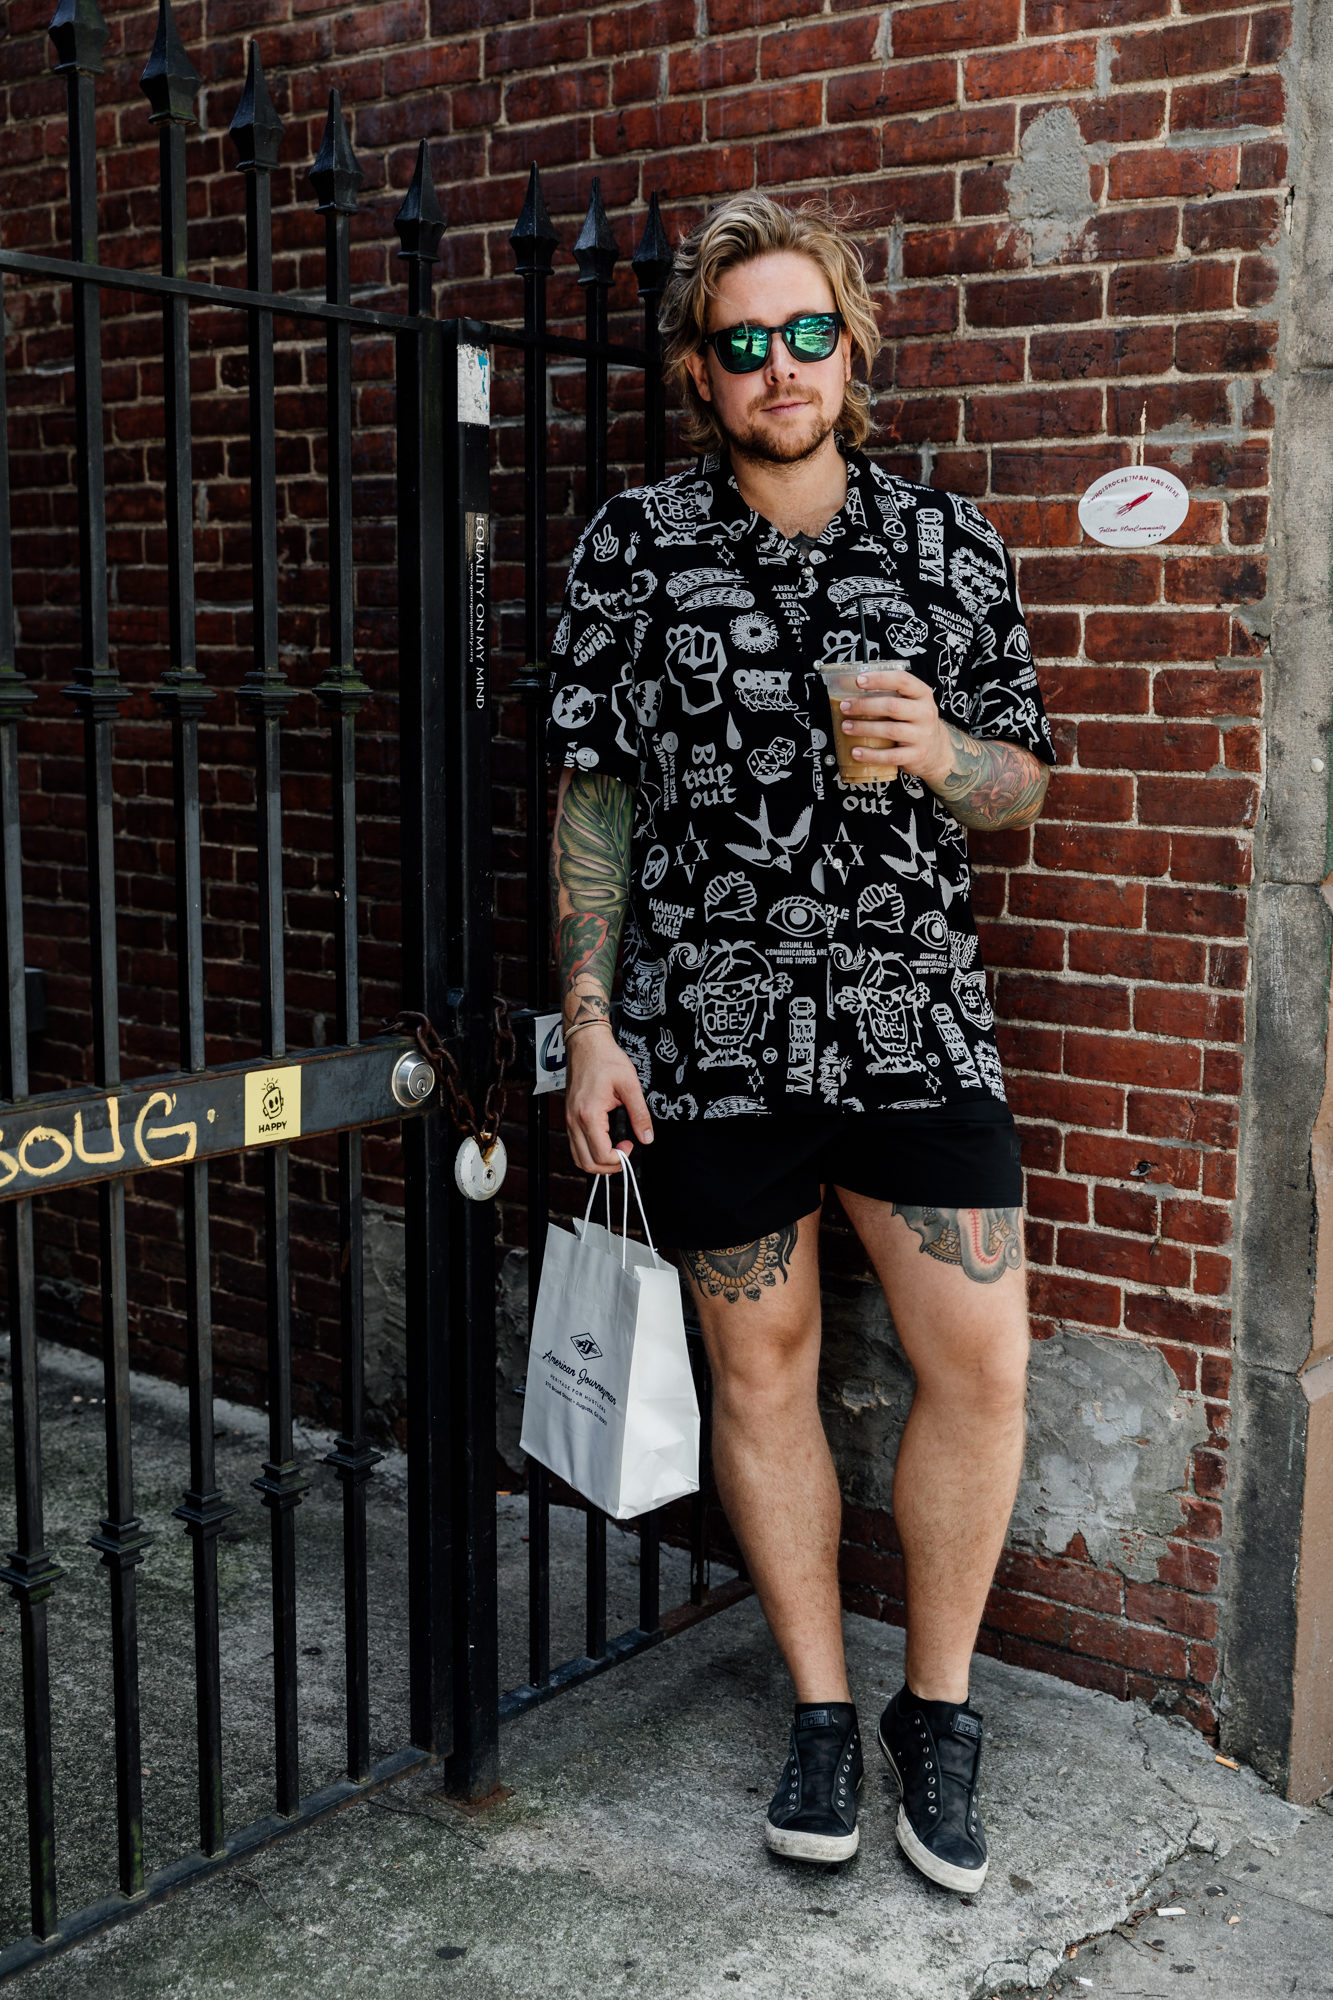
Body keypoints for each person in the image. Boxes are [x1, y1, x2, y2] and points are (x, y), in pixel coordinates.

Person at [545, 193, 1055, 1890]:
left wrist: (939, 755)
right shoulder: (631, 546)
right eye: (743, 343)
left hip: (916, 1019)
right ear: (703, 371)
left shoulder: (949, 547)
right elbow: (594, 795)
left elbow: (1024, 786)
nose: (780, 366)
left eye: (806, 334)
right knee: (757, 1376)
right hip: (708, 1028)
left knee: (976, 1364)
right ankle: (823, 1714)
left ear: (853, 346)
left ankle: (939, 1711)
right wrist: (590, 1024)